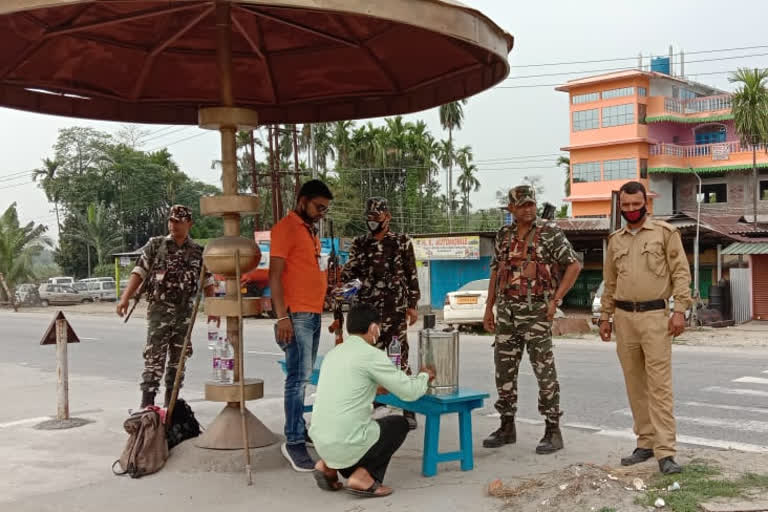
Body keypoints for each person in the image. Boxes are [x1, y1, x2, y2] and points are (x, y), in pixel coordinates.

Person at [599, 181, 691, 474]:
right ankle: (645, 443)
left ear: (645, 203)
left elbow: (681, 273)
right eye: (625, 206)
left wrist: (680, 311)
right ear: (620, 206)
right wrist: (605, 317)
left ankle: (666, 453)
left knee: (659, 386)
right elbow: (610, 283)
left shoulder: (665, 233)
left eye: (635, 205)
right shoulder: (615, 240)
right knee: (635, 384)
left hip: (656, 317)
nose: (630, 210)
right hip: (624, 320)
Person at [482, 185, 581, 453]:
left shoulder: (550, 233)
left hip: (536, 312)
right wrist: (488, 307)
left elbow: (574, 265)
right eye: (522, 205)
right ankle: (506, 426)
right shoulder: (503, 234)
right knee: (503, 371)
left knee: (544, 372)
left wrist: (556, 299)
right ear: (511, 209)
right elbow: (496, 272)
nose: (528, 209)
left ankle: (552, 430)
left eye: (531, 204)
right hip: (506, 314)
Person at [309, 304, 435, 498]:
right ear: (374, 328)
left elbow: (347, 386)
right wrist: (424, 376)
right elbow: (410, 392)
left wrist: (373, 388)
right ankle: (364, 478)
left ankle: (326, 466)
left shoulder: (334, 354)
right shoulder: (372, 355)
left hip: (321, 442)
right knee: (398, 424)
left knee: (350, 428)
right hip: (345, 442)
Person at [116, 205, 217, 409]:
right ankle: (147, 409)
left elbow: (207, 281)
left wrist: (213, 309)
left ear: (189, 223)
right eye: (171, 221)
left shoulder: (198, 252)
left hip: (184, 314)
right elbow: (139, 271)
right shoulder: (156, 245)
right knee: (154, 360)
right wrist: (125, 298)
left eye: (178, 221)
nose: (173, 225)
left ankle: (171, 408)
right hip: (159, 312)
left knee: (178, 363)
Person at [337, 197, 421, 429]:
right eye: (369, 218)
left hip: (395, 310)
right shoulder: (359, 243)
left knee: (399, 358)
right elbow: (349, 275)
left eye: (377, 217)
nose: (372, 222)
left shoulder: (402, 242)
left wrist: (413, 304)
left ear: (388, 217)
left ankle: (409, 409)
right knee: (367, 359)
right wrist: (346, 289)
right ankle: (370, 404)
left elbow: (411, 273)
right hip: (367, 311)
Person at [270, 179, 333, 472]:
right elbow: (275, 276)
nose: (322, 212)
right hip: (295, 316)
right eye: (318, 207)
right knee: (297, 380)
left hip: (312, 313)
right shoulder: (286, 228)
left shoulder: (309, 232)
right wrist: (282, 317)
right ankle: (293, 441)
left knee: (304, 377)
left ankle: (298, 428)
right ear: (302, 200)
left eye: (325, 209)